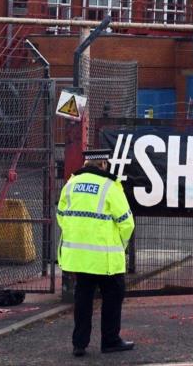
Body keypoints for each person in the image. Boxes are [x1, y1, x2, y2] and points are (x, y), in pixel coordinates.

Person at [58, 149, 135, 357]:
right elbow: (126, 222)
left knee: (83, 299)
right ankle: (110, 341)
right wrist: (120, 244)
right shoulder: (110, 186)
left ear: (86, 164)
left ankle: (79, 344)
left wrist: (77, 235)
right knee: (113, 298)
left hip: (79, 258)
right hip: (105, 258)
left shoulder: (71, 184)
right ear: (103, 165)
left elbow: (61, 215)